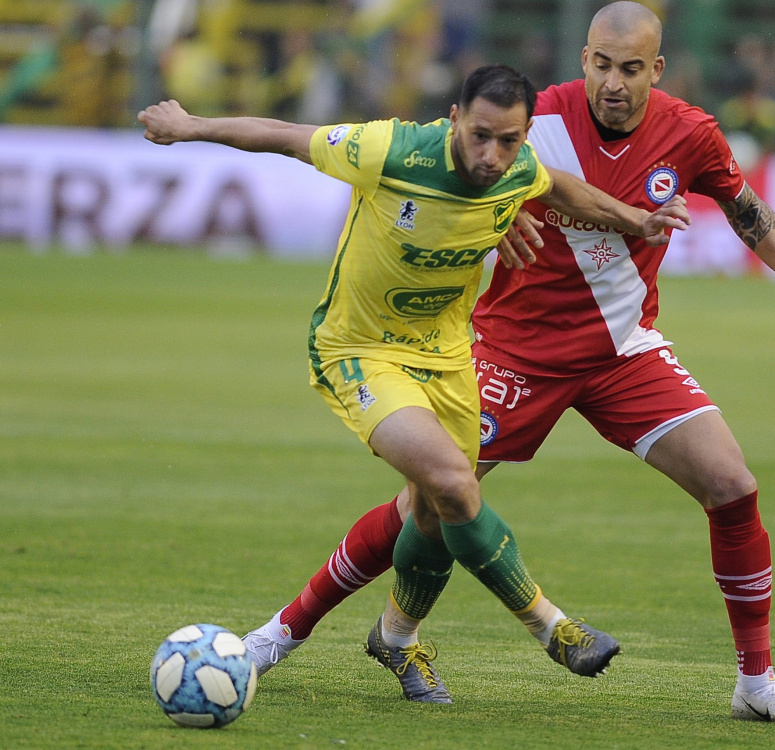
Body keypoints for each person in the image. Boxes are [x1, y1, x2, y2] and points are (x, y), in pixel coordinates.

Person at [241, 2, 775, 727]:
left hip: (621, 349)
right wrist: (493, 225)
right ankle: (292, 632)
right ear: (584, 60)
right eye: (601, 63)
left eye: (631, 69)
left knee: (732, 484)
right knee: (431, 506)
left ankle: (755, 683)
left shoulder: (690, 133)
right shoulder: (533, 124)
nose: (613, 81)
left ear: (655, 70)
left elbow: (745, 208)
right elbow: (459, 183)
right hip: (513, 349)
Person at [138, 63, 689, 705]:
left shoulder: (516, 166)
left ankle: (389, 640)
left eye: (509, 141)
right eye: (480, 135)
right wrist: (189, 125)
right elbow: (285, 134)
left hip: (450, 357)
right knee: (452, 484)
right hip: (361, 350)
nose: (493, 155)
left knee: (430, 513)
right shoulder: (390, 149)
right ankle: (552, 627)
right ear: (453, 119)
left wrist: (635, 219)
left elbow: (559, 186)